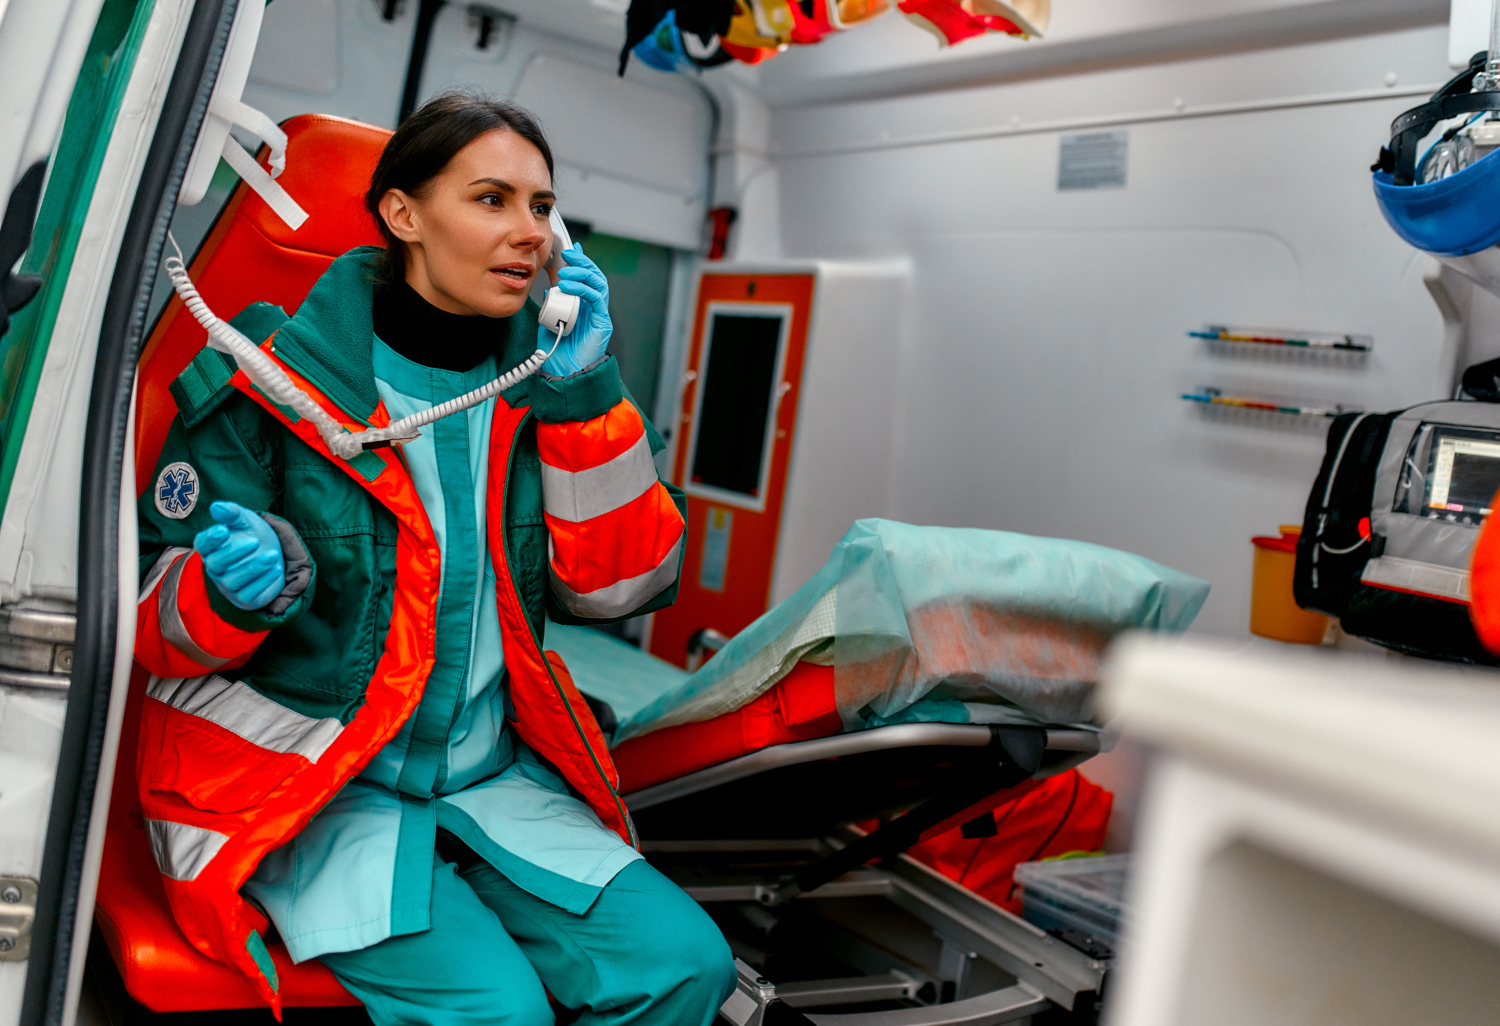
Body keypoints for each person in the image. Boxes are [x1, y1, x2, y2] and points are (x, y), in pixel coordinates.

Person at [134, 93, 734, 1026]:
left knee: (690, 963)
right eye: (492, 200)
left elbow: (626, 586)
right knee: (501, 1013)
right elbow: (148, 619)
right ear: (403, 215)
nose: (529, 234)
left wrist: (586, 403)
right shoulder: (262, 373)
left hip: (492, 781)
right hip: (313, 784)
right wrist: (221, 597)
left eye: (541, 207)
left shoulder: (548, 383)